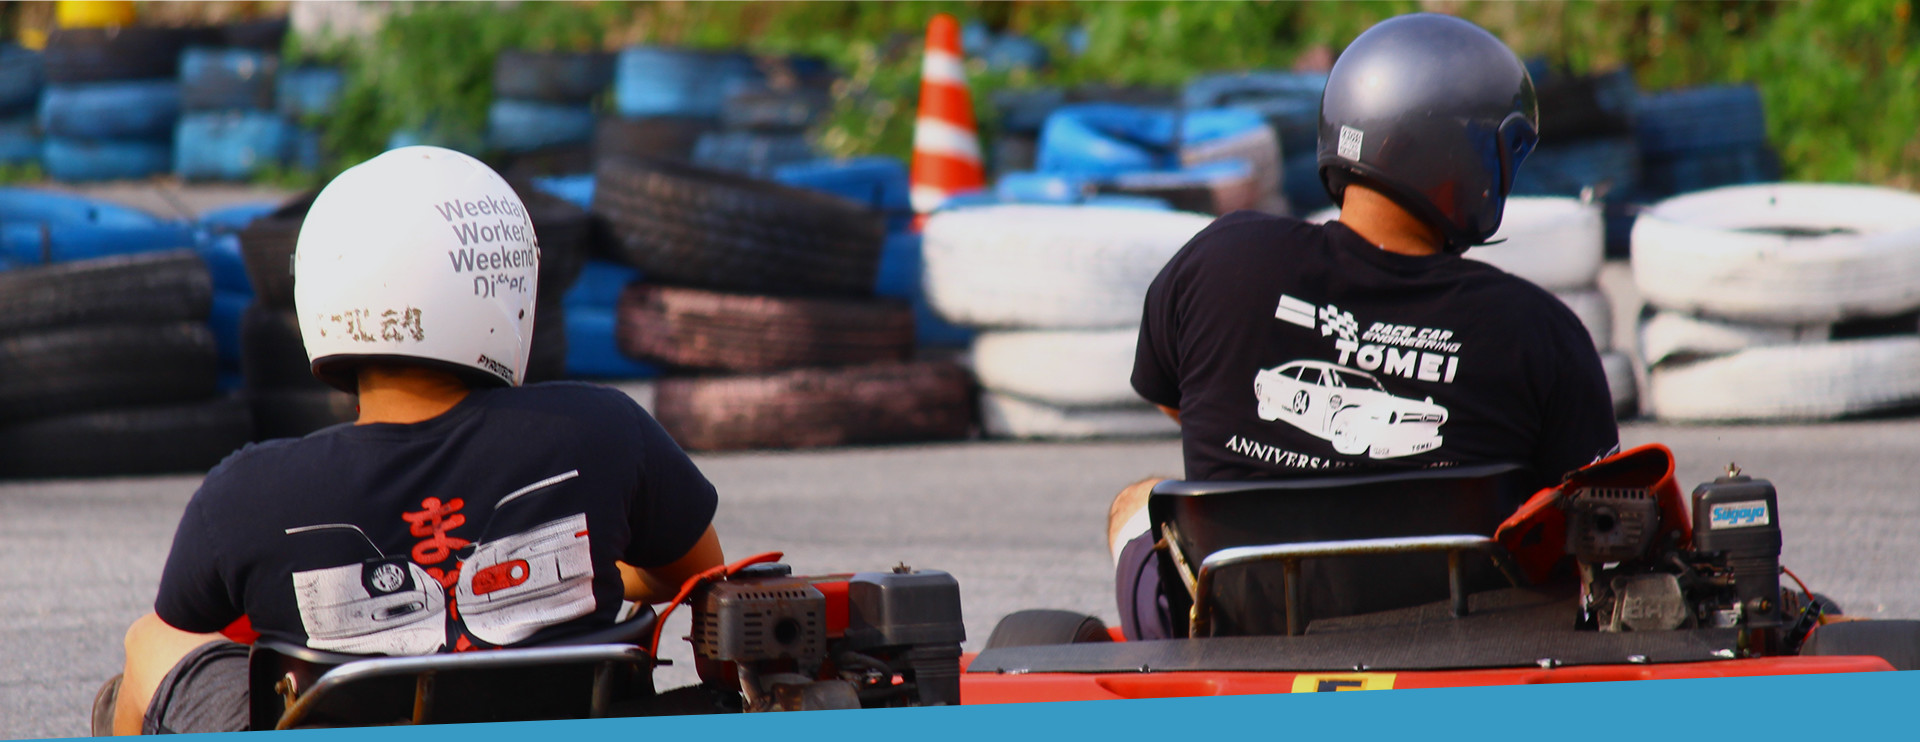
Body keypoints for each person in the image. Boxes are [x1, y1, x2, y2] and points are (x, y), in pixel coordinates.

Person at [103, 147, 726, 734]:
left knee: (148, 644)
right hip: (563, 716)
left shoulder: (245, 495)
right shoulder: (603, 431)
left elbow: (181, 630)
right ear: (503, 290)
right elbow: (700, 578)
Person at [1107, 13, 1619, 640]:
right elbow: (1605, 521)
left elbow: (1176, 398)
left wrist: (1302, 469)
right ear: (1468, 159)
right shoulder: (1536, 330)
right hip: (1465, 642)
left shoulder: (1220, 259)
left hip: (1249, 631)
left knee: (1139, 500)